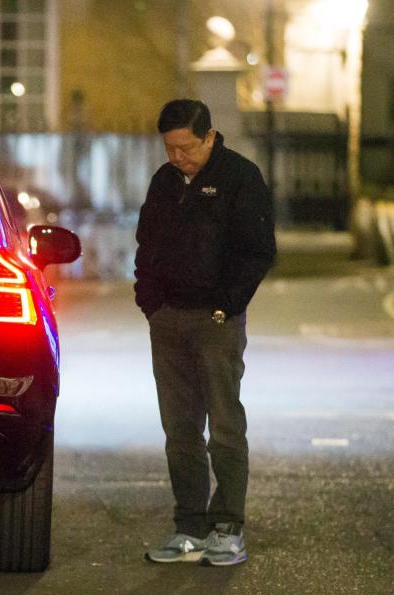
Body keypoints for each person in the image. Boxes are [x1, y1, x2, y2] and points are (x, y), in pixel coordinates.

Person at [134, 99, 276, 567]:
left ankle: (228, 527)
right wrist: (150, 302)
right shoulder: (164, 182)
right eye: (171, 149)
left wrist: (225, 305)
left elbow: (256, 251)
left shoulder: (240, 177)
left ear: (210, 137)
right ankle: (188, 526)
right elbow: (146, 244)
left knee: (225, 426)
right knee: (179, 429)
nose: (178, 157)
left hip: (216, 322)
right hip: (168, 318)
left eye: (187, 148)